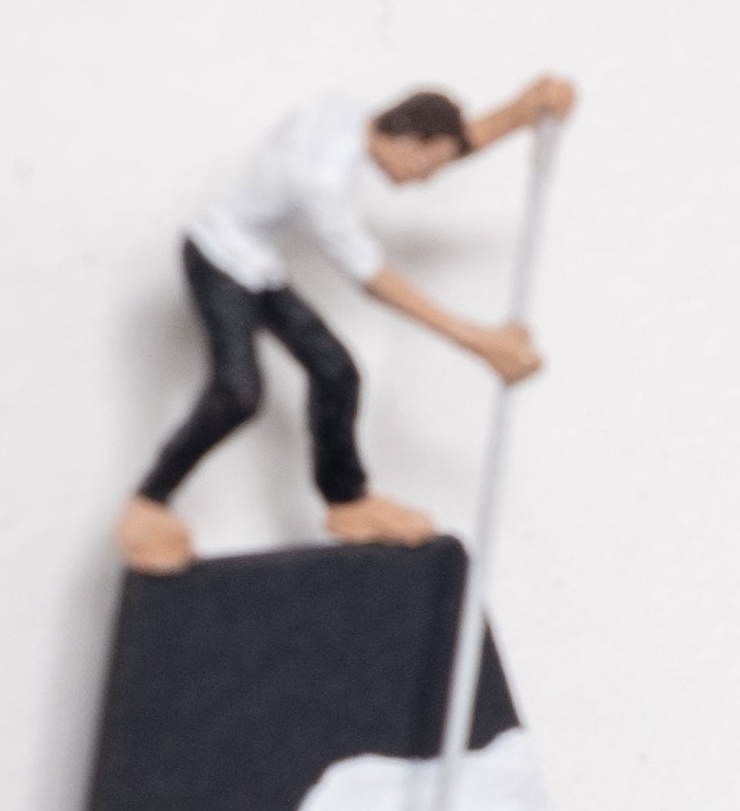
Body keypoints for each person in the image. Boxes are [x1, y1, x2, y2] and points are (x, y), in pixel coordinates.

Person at [116, 76, 578, 575]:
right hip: (216, 259)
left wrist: (520, 112)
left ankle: (348, 502)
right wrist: (481, 342)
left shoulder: (355, 116)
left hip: (256, 263)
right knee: (238, 394)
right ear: (409, 143)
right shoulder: (321, 182)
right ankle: (147, 506)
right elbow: (376, 280)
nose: (426, 181)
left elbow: (447, 143)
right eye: (427, 167)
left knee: (336, 372)